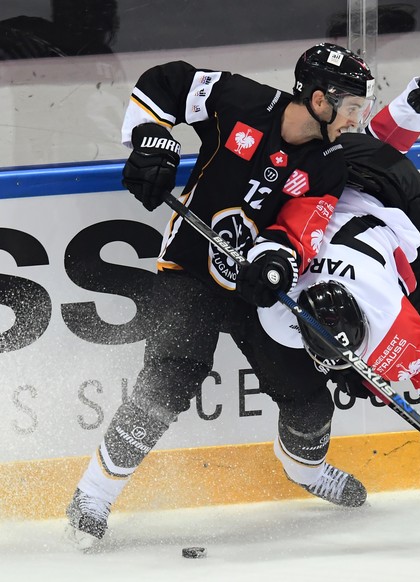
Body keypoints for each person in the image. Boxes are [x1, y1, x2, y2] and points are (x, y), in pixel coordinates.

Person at [65, 42, 376, 550]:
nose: (355, 119)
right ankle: (93, 495)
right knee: (172, 373)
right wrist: (151, 140)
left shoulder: (327, 164)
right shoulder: (241, 101)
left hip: (257, 289)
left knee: (308, 397)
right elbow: (165, 82)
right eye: (350, 108)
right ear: (319, 100)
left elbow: (302, 227)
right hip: (188, 268)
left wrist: (277, 261)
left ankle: (304, 469)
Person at [247, 29, 420, 501]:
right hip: (340, 216)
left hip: (405, 215)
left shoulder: (379, 313)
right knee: (385, 367)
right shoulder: (283, 318)